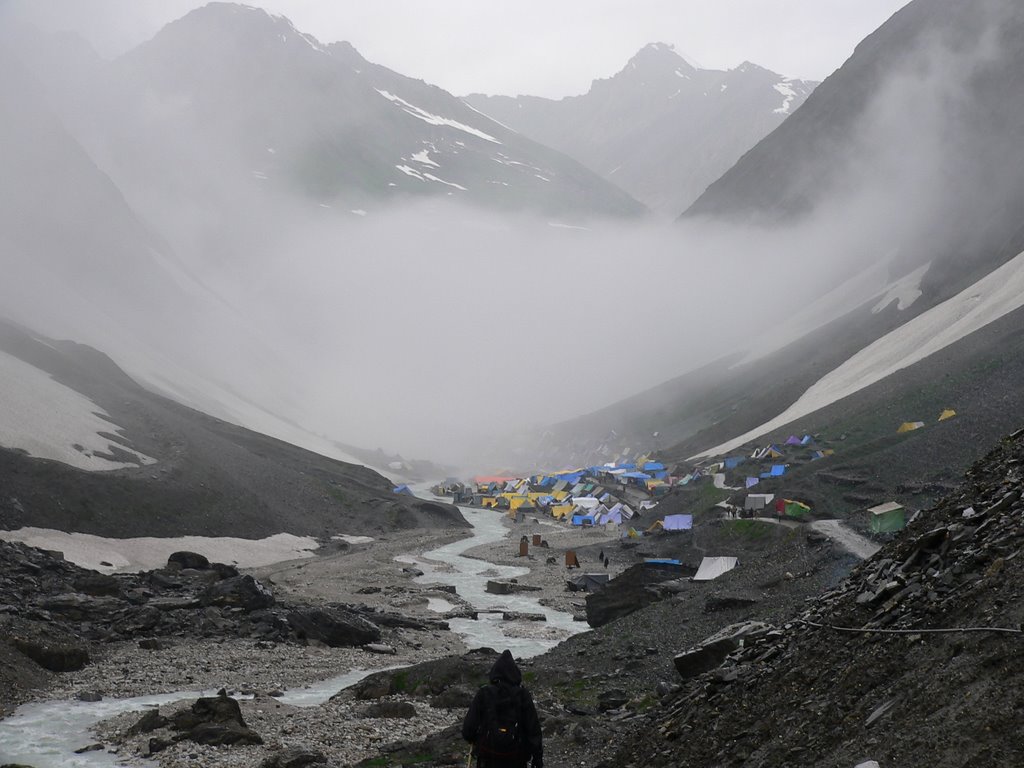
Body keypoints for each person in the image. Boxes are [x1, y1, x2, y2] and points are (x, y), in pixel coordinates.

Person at [462, 649, 543, 768]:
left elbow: (468, 729)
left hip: (488, 756)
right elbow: (533, 729)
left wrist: (476, 740)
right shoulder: (523, 694)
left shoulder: (484, 693)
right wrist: (537, 758)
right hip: (516, 758)